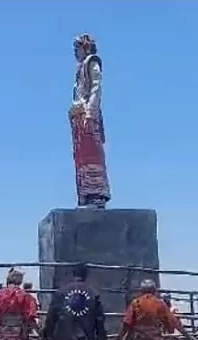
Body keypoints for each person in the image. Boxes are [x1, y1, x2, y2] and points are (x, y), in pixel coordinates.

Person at [69, 33, 110, 209]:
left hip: (87, 114)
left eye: (77, 48)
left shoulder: (92, 62)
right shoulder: (80, 69)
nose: (75, 52)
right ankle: (85, 194)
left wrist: (90, 112)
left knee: (93, 154)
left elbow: (96, 87)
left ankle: (97, 194)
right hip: (78, 116)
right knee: (81, 157)